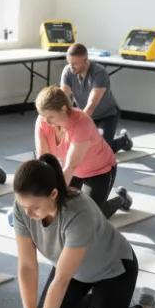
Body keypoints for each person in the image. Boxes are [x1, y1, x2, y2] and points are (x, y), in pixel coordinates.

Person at [9, 155, 155, 308]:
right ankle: (98, 301)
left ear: (53, 193)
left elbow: (61, 279)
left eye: (34, 208)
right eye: (23, 206)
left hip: (112, 270)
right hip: (75, 270)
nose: (27, 213)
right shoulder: (24, 206)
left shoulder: (79, 214)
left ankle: (146, 306)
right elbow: (27, 265)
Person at [34, 86, 132, 220]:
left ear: (63, 109)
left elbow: (70, 167)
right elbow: (44, 160)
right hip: (74, 173)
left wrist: (51, 197)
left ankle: (121, 199)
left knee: (89, 218)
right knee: (61, 210)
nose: (46, 121)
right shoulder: (43, 121)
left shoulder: (82, 124)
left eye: (50, 117)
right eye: (43, 116)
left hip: (99, 171)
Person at [60, 43, 132, 153]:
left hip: (107, 115)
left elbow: (92, 104)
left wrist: (77, 126)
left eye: (75, 63)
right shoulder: (68, 71)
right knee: (80, 146)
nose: (72, 67)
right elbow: (63, 97)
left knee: (100, 150)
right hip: (85, 114)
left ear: (85, 61)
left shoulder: (99, 72)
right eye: (70, 63)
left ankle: (124, 140)